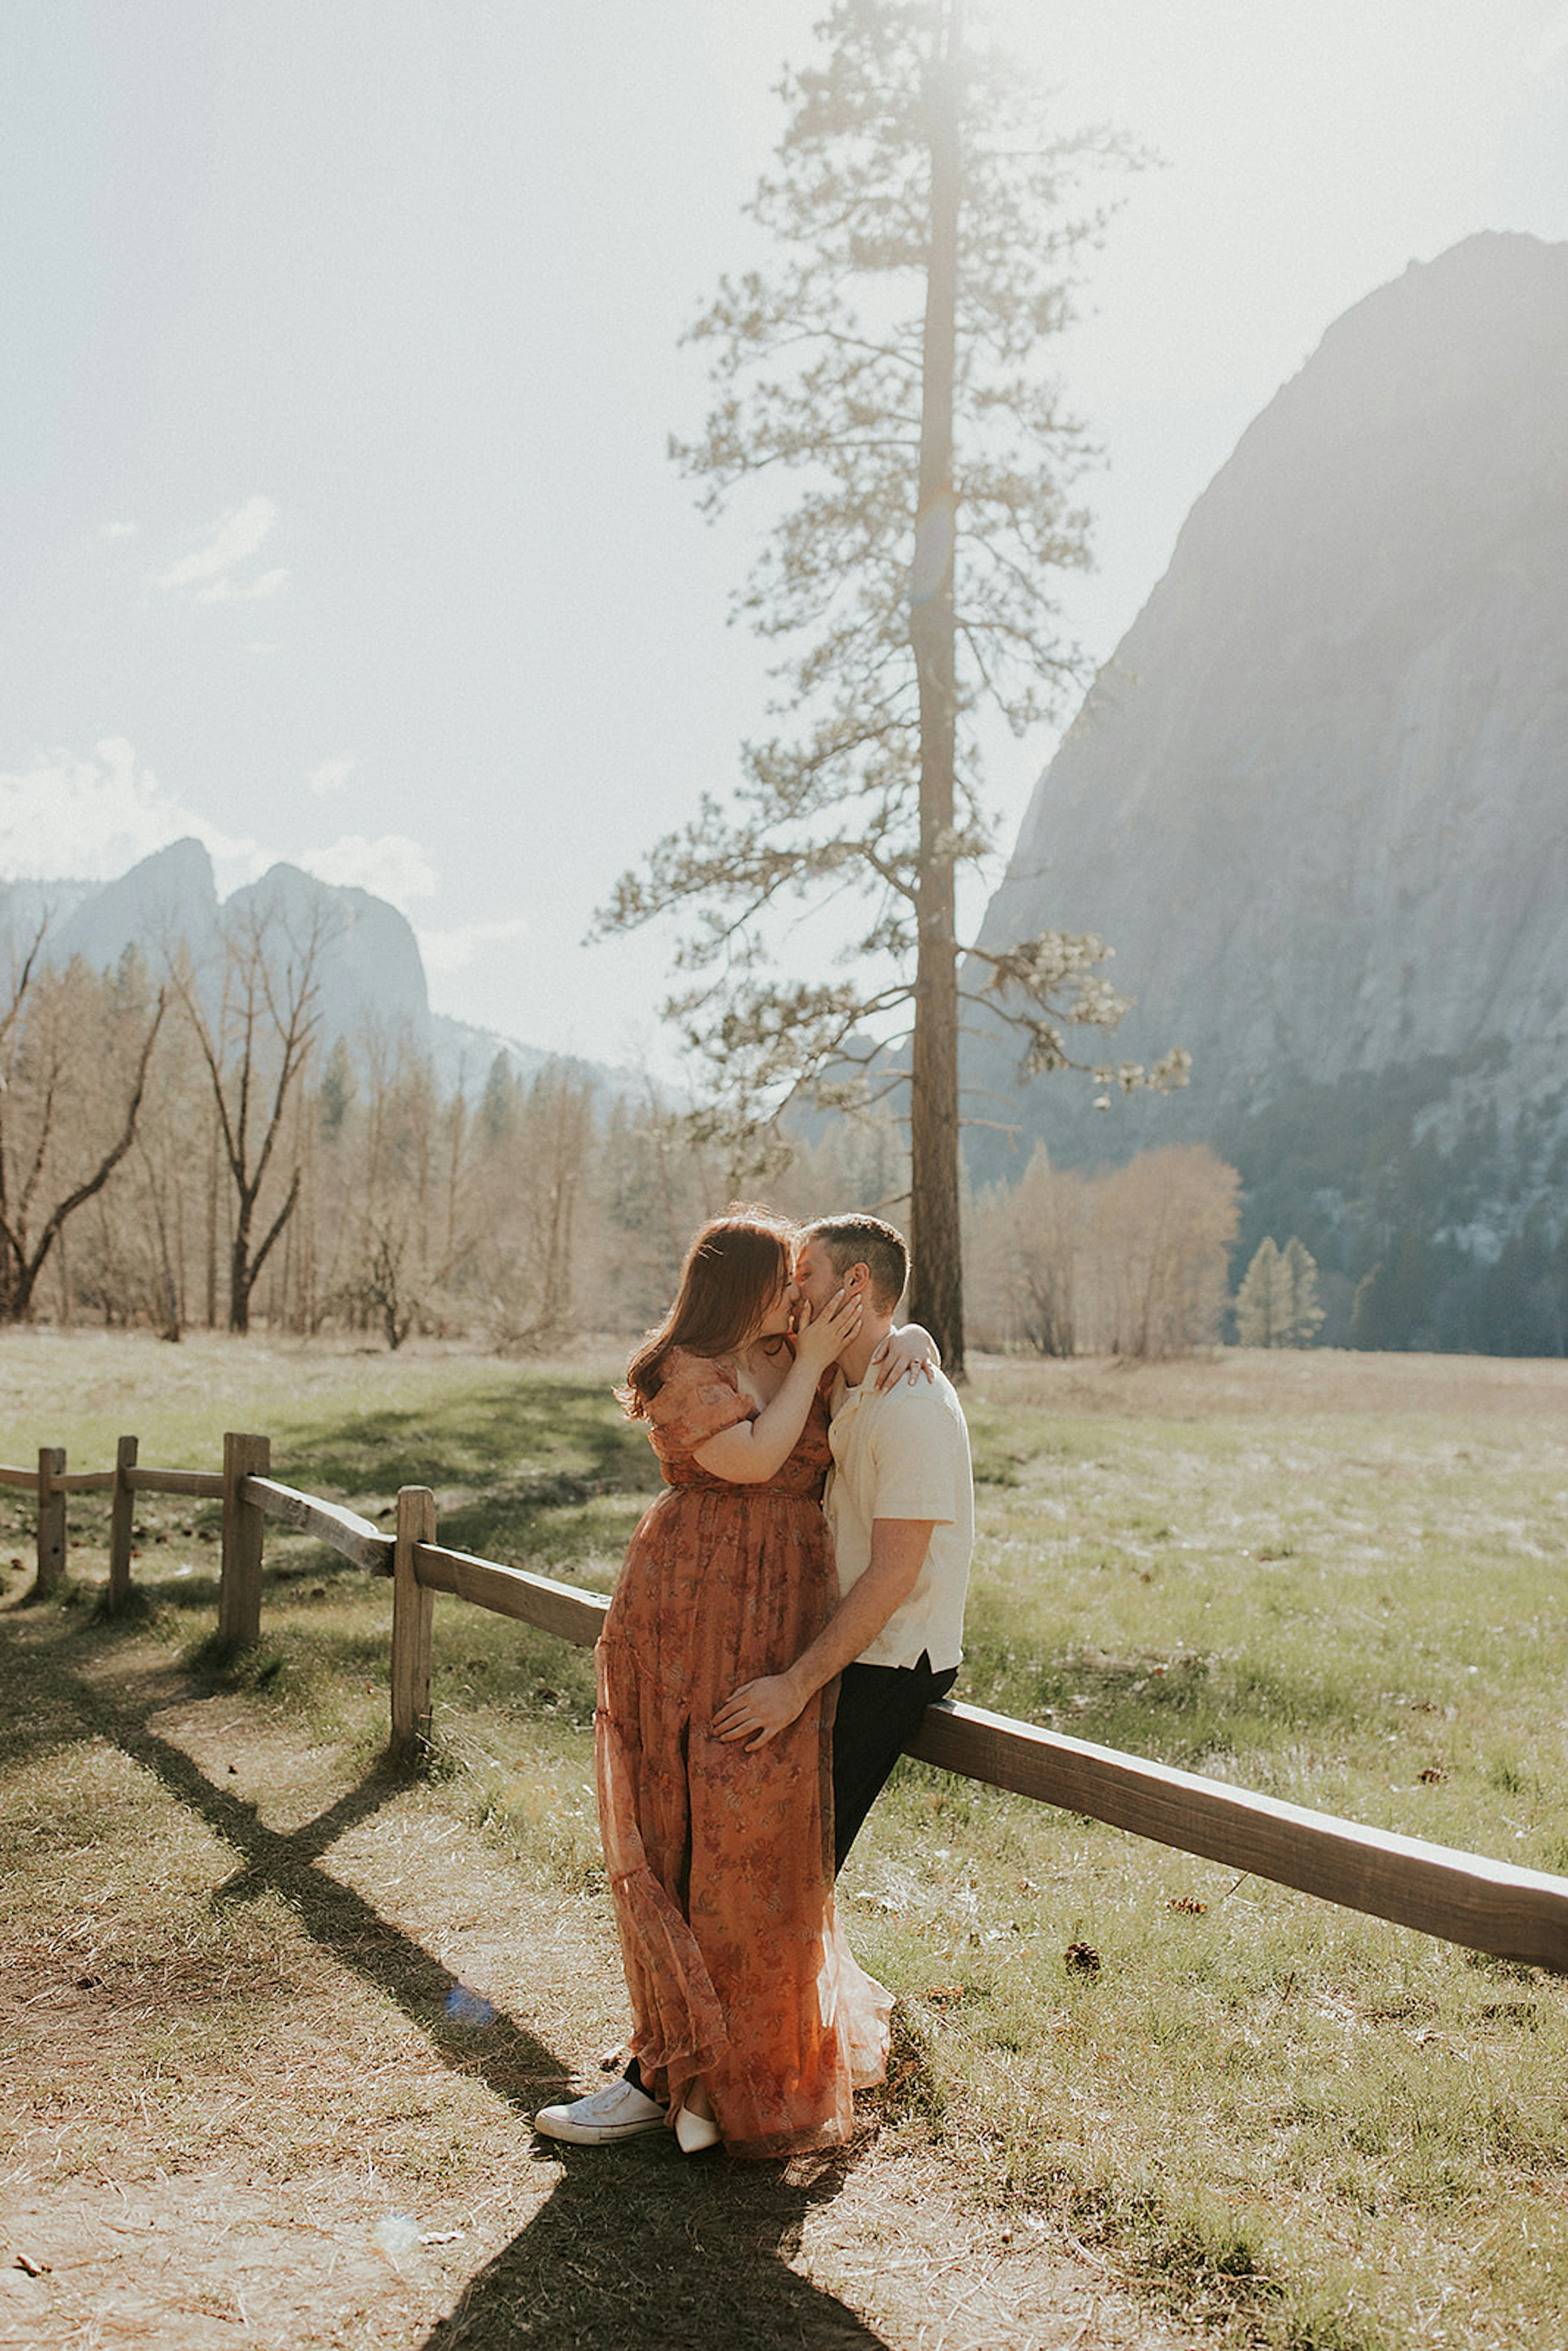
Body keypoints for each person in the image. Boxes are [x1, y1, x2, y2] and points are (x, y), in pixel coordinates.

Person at [534, 1210, 927, 2159]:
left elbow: (880, 1341)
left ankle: (723, 2074)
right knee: (673, 1829)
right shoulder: (685, 1368)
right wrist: (810, 1362)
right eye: (786, 1279)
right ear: (739, 1284)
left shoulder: (802, 1351)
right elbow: (753, 1458)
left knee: (755, 1838)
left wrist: (912, 1334)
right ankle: (664, 2068)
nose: (802, 1294)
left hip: (784, 1612)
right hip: (686, 1611)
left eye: (805, 1279)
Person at [713, 1213, 973, 1873]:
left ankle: (781, 1979)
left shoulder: (912, 1405)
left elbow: (894, 1577)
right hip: (843, 1639)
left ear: (856, 1281)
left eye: (805, 1274)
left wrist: (795, 1686)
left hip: (891, 1656)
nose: (793, 1291)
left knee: (795, 1861)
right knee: (754, 1828)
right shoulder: (842, 1379)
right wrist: (915, 1332)